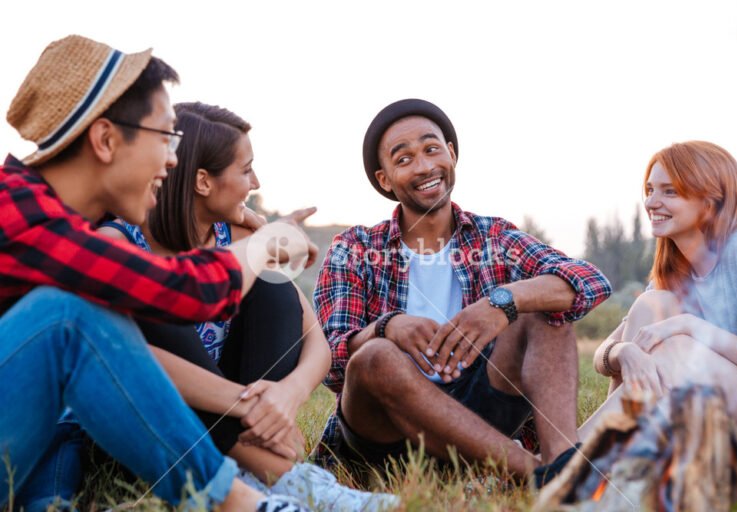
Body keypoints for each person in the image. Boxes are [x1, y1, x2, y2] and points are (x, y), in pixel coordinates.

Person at [0, 34, 314, 512]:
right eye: (165, 136)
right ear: (105, 140)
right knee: (69, 317)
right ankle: (248, 501)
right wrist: (271, 240)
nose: (173, 159)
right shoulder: (22, 218)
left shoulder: (47, 220)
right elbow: (191, 292)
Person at [96, 101, 398, 511]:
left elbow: (315, 340)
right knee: (164, 296)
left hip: (234, 422)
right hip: (147, 435)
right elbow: (129, 364)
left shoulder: (239, 234)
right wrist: (249, 402)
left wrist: (286, 396)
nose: (255, 182)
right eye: (245, 169)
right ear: (203, 181)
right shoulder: (118, 243)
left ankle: (255, 475)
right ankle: (289, 479)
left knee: (272, 288)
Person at [312, 98, 612, 486]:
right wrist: (386, 328)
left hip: (478, 418)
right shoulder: (353, 249)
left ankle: (563, 462)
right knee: (375, 357)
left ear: (451, 154)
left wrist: (501, 303)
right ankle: (544, 476)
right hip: (385, 436)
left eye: (432, 149)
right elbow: (331, 362)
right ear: (385, 179)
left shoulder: (493, 236)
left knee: (545, 310)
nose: (423, 166)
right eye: (403, 159)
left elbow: (589, 282)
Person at [580, 141, 737, 442]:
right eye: (650, 189)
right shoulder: (674, 272)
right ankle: (614, 453)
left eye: (670, 191)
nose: (652, 202)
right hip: (714, 414)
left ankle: (569, 458)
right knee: (651, 304)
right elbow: (604, 354)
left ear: (710, 201)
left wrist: (691, 327)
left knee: (679, 347)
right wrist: (624, 351)